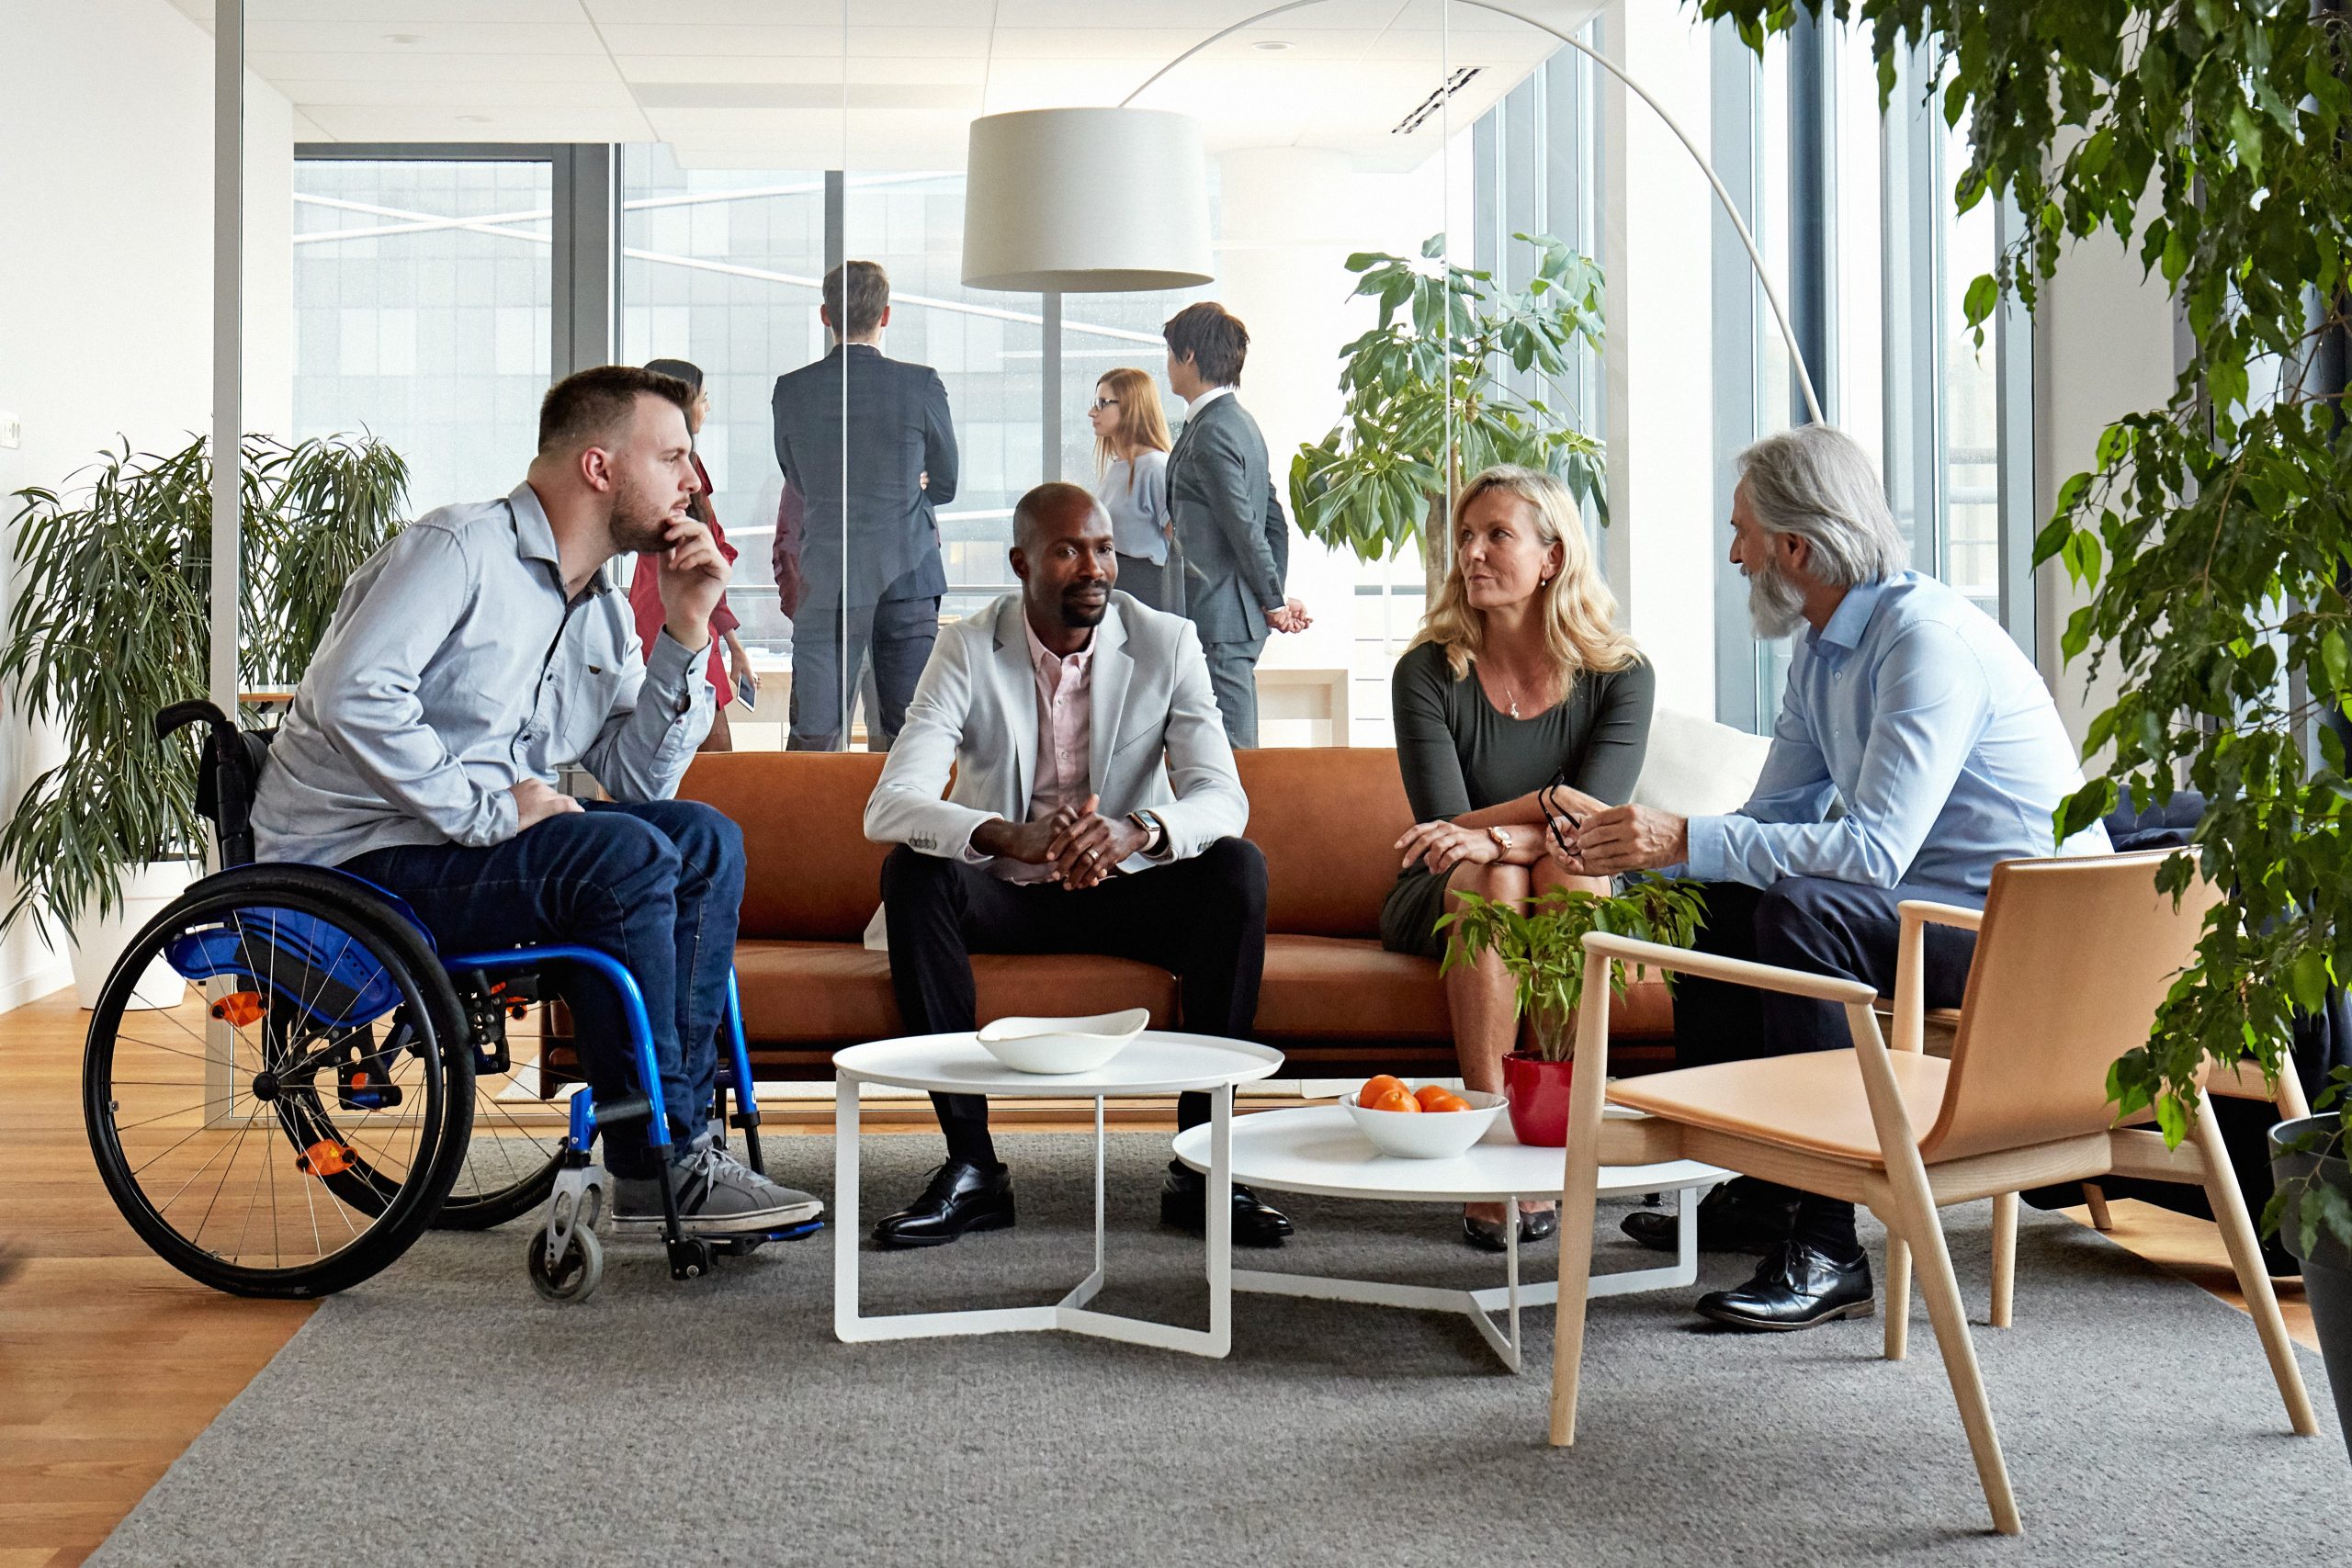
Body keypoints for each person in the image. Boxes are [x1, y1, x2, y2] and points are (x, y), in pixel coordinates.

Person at [1552, 423, 2109, 1332]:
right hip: (1938, 913)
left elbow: (1875, 853)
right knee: (1714, 892)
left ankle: (1827, 1240)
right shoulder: (1822, 647)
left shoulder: (1922, 644)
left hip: (2026, 937)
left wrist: (1686, 833)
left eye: (1743, 533)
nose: (1733, 554)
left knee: (1802, 911)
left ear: (1796, 548)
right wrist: (1654, 851)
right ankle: (1766, 1182)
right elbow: (1773, 817)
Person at [249, 364, 821, 1236]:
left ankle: (685, 1137)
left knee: (702, 838)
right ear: (599, 468)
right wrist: (489, 812)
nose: (693, 482)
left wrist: (685, 629)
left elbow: (635, 783)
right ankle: (655, 1159)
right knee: (619, 853)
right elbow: (355, 692)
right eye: (672, 457)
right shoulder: (459, 548)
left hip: (457, 855)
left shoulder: (596, 608)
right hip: (353, 860)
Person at [862, 481, 1290, 1249]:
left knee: (1238, 867)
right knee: (912, 872)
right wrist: (1005, 835)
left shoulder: (1167, 641)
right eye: (1067, 550)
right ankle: (971, 1166)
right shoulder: (966, 645)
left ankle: (1202, 1163)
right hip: (1008, 896)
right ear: (1022, 562)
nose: (1094, 566)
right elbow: (890, 804)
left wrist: (1137, 830)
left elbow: (1223, 797)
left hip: (1127, 891)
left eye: (1102, 548)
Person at [1382, 466, 1654, 1252]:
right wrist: (1541, 806)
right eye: (1465, 537)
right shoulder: (1427, 671)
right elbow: (1443, 831)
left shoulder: (1619, 675)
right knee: (1491, 876)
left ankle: (1551, 1142)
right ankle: (1490, 1149)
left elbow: (1594, 828)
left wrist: (1506, 834)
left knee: (1565, 871)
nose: (1472, 552)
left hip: (1567, 868)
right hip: (1445, 889)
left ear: (1553, 557)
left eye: (1497, 534)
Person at [771, 260, 958, 752]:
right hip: (907, 578)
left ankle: (810, 830)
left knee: (815, 735)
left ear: (824, 316)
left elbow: (797, 477)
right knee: (910, 736)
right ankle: (904, 831)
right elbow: (948, 482)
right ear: (887, 315)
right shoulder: (921, 384)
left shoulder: (791, 389)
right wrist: (917, 489)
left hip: (825, 577)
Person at [1161, 301, 1308, 748]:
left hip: (1218, 620)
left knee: (1232, 756)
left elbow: (1246, 526)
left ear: (1188, 355)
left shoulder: (1212, 430)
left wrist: (1273, 601)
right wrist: (1271, 597)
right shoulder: (1237, 422)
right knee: (1212, 752)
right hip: (1228, 616)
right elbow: (1273, 521)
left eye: (1169, 353)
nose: (1166, 365)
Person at [630, 357, 756, 752]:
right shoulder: (668, 472)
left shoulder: (680, 466)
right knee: (708, 753)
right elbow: (702, 562)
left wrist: (734, 645)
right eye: (703, 398)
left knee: (700, 750)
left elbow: (709, 563)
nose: (707, 407)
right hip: (670, 620)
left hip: (684, 618)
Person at [1089, 367, 1181, 615]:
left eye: (1102, 403)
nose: (1092, 412)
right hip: (1117, 587)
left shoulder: (1155, 467)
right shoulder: (1118, 467)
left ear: (1131, 406)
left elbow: (1182, 544)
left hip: (1146, 592)